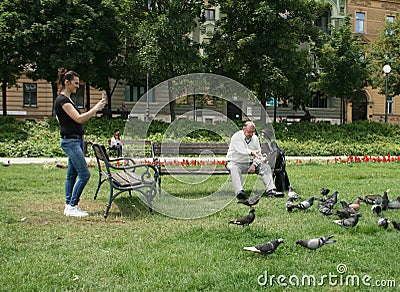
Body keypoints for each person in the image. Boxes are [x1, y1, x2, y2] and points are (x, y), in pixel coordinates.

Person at [55, 68, 106, 217]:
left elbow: (65, 120)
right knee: (84, 174)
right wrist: (95, 108)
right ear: (67, 82)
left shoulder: (66, 99)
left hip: (75, 140)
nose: (78, 86)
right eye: (75, 83)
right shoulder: (63, 100)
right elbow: (79, 118)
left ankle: (68, 205)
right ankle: (72, 205)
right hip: (70, 141)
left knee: (72, 175)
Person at [225, 121, 282, 200]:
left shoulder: (255, 138)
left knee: (266, 167)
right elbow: (240, 149)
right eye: (249, 132)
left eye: (253, 132)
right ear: (244, 129)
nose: (251, 134)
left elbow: (259, 154)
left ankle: (271, 190)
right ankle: (240, 192)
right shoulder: (236, 137)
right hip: (235, 162)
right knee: (234, 168)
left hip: (250, 163)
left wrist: (254, 164)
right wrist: (251, 152)